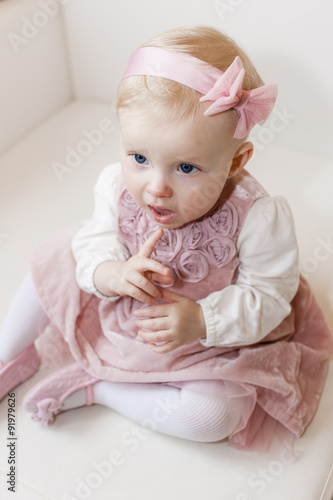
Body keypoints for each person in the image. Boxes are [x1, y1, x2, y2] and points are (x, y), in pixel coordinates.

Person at [0, 26, 332, 452]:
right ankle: (9, 350)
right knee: (55, 256)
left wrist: (202, 320)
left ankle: (97, 389)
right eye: (138, 158)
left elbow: (270, 294)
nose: (156, 187)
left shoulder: (259, 216)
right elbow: (96, 238)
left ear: (236, 161)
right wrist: (110, 272)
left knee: (215, 416)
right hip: (126, 306)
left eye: (187, 168)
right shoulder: (115, 185)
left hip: (201, 341)